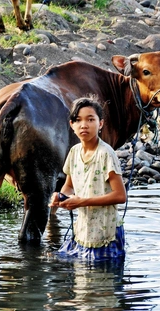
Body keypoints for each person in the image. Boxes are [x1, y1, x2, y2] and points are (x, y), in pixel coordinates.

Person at [49, 96, 127, 261]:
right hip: (84, 230)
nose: (84, 125)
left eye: (90, 119)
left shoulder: (106, 154)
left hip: (106, 232)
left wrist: (82, 201)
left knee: (102, 280)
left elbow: (120, 196)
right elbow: (68, 186)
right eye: (78, 120)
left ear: (101, 124)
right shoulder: (74, 152)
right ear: (72, 125)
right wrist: (61, 197)